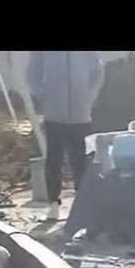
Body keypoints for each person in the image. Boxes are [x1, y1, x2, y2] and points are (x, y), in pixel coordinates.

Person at [27, 52, 103, 220]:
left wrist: (89, 97)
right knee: (54, 160)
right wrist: (43, 95)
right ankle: (53, 203)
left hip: (81, 114)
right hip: (54, 114)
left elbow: (98, 72)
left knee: (81, 160)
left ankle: (81, 202)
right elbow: (32, 74)